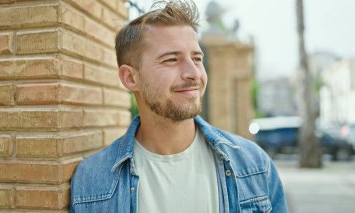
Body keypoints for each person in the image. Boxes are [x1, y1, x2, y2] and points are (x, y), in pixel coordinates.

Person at [70, 0, 288, 212]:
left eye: (197, 59)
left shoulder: (255, 166)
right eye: (171, 60)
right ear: (130, 77)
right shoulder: (92, 180)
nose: (193, 73)